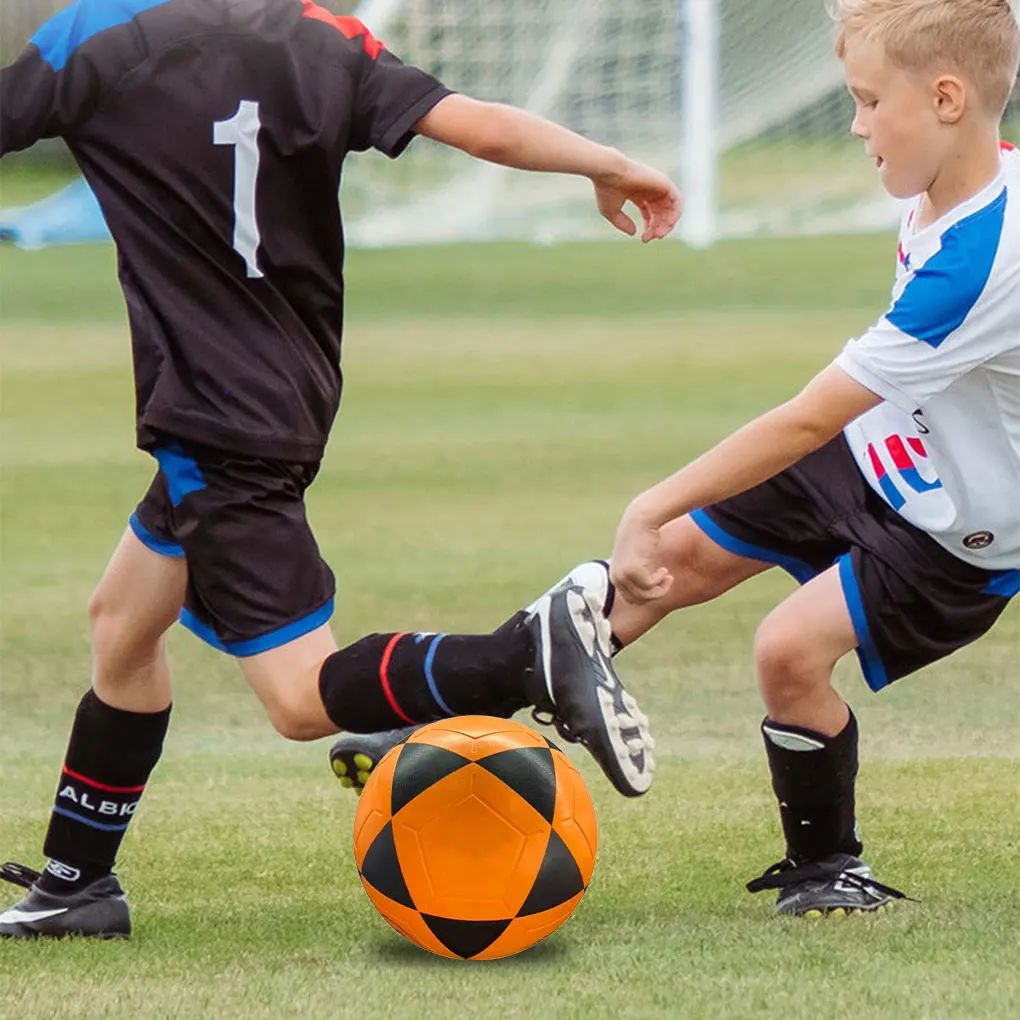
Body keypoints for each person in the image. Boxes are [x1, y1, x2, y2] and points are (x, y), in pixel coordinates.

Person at [0, 0, 680, 939]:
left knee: (298, 701)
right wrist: (608, 163)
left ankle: (525, 655)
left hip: (212, 413)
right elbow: (478, 125)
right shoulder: (320, 33)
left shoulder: (98, 34)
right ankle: (78, 885)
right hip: (292, 389)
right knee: (122, 624)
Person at [330, 0, 1020, 917]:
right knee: (661, 569)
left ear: (945, 98)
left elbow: (808, 417)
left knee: (787, 653)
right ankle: (453, 732)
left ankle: (827, 868)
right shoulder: (960, 187)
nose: (853, 126)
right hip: (883, 447)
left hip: (958, 530)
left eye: (865, 101)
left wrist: (650, 500)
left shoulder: (981, 261)